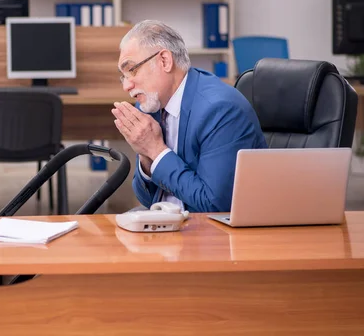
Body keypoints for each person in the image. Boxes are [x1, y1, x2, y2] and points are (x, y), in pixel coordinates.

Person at [112, 20, 267, 213]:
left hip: (210, 233)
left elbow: (214, 205)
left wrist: (156, 150)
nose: (127, 86)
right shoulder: (150, 104)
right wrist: (146, 156)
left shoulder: (220, 109)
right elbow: (147, 198)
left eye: (132, 70)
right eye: (123, 76)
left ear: (164, 61)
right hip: (165, 222)